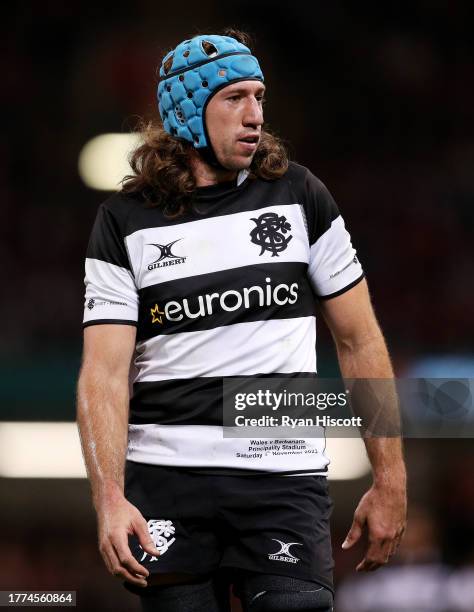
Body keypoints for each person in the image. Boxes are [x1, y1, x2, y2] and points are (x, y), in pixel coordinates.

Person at [76, 29, 407, 612]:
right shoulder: (123, 221)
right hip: (168, 480)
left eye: (260, 96)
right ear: (186, 109)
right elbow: (102, 375)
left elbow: (359, 340)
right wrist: (107, 496)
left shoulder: (300, 194)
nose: (255, 115)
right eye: (235, 98)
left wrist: (390, 477)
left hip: (281, 476)